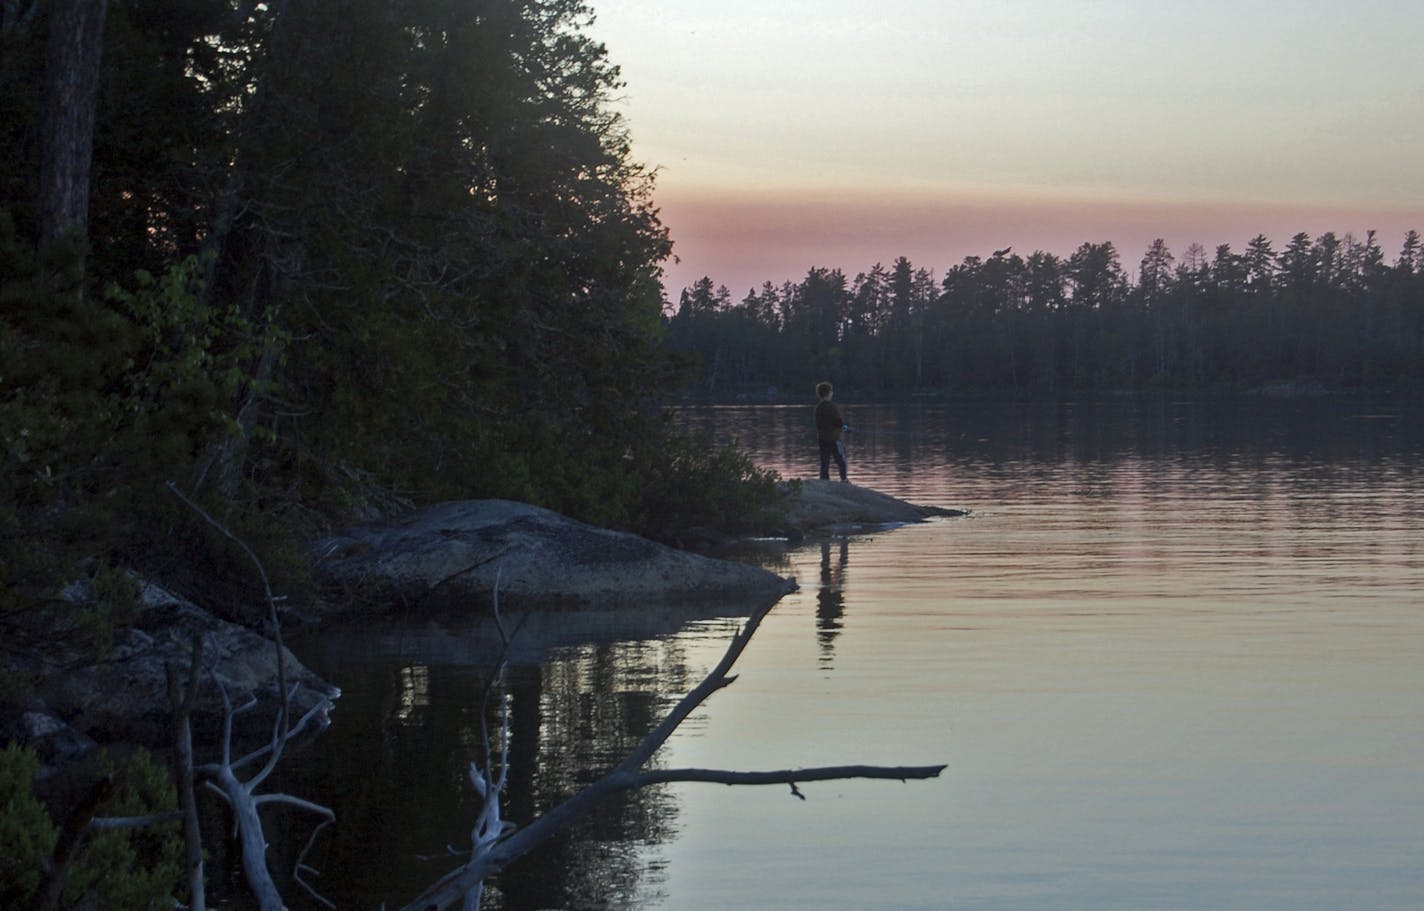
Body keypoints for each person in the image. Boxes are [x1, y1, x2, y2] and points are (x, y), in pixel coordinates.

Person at [814, 381, 848, 482]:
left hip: (822, 439)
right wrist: (845, 428)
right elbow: (838, 422)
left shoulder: (818, 408)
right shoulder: (832, 406)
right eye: (831, 391)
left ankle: (824, 480)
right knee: (842, 460)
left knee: (824, 461)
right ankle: (844, 479)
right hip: (834, 439)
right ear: (828, 392)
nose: (832, 393)